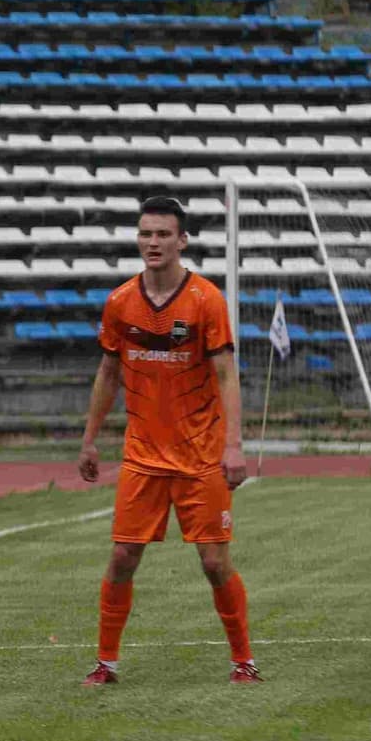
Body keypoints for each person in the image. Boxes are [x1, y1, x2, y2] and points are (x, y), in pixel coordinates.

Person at [77, 194, 260, 686]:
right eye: (145, 233)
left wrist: (234, 445)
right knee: (121, 555)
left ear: (182, 240)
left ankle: (243, 661)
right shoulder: (120, 302)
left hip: (201, 455)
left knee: (214, 560)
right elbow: (108, 373)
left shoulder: (206, 300)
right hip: (143, 456)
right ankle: (105, 663)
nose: (152, 242)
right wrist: (90, 440)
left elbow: (226, 375)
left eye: (162, 234)